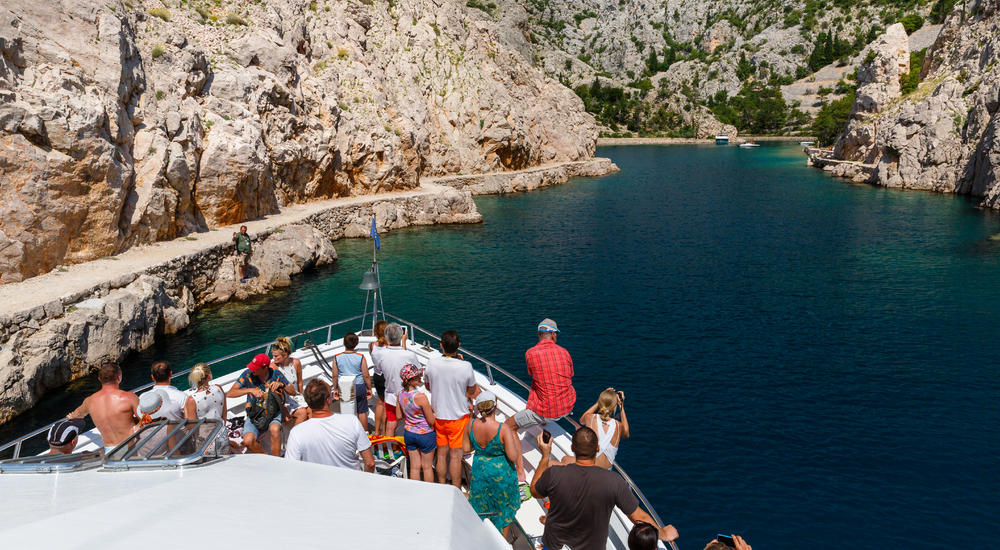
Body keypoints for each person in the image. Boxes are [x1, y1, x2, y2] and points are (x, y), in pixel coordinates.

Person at [530, 426, 678, 550]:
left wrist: (545, 456)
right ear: (598, 448)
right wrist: (663, 533)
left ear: (572, 448)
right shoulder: (613, 481)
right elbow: (639, 517)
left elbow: (534, 491)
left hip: (554, 538)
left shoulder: (554, 473)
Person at [503, 318, 576, 485]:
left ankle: (520, 472)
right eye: (556, 334)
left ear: (539, 334)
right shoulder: (564, 352)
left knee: (508, 426)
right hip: (567, 406)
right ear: (552, 334)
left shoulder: (530, 353)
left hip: (546, 410)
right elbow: (570, 375)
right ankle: (544, 421)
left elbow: (533, 373)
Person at [424, 329, 479, 487]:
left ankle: (441, 484)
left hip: (439, 416)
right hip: (458, 418)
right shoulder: (466, 366)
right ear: (459, 346)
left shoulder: (432, 363)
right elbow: (471, 391)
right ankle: (455, 488)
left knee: (441, 454)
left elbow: (428, 385)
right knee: (455, 456)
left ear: (441, 345)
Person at [463, 390, 520, 540]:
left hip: (480, 471)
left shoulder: (471, 425)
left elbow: (466, 448)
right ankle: (502, 543)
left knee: (481, 503)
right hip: (501, 474)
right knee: (504, 509)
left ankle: (482, 539)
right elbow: (513, 456)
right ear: (495, 407)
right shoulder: (503, 429)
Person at [285, 379, 375, 472]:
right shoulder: (352, 421)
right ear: (328, 400)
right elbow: (370, 463)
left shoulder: (297, 432)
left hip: (316, 485)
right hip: (352, 484)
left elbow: (291, 468)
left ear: (308, 402)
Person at [67, 362, 140, 453]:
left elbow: (77, 415)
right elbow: (145, 419)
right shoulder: (129, 397)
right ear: (119, 377)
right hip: (131, 448)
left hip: (110, 452)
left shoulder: (89, 401)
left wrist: (71, 417)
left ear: (99, 379)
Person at [226, 353, 291, 456]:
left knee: (275, 429)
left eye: (255, 368)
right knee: (248, 440)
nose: (252, 369)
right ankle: (268, 458)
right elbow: (230, 393)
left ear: (265, 367)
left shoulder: (276, 374)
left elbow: (292, 391)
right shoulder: (247, 375)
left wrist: (281, 384)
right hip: (255, 414)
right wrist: (250, 390)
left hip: (273, 412)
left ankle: (277, 460)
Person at [373, 323, 420, 436]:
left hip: (390, 395)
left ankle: (389, 449)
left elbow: (379, 369)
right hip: (407, 395)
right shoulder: (409, 355)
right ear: (401, 336)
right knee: (411, 422)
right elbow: (417, 371)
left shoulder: (381, 355)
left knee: (391, 423)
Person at [565, 388, 629, 469]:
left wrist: (598, 402)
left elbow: (581, 421)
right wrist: (621, 406)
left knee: (565, 459)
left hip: (589, 469)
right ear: (614, 406)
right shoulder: (618, 425)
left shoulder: (590, 418)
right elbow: (626, 433)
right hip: (606, 472)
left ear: (600, 402)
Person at [396, 363, 436, 481]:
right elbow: (431, 420)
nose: (420, 377)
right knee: (427, 467)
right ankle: (430, 494)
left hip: (409, 433)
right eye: (417, 376)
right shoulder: (421, 397)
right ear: (409, 380)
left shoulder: (400, 394)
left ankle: (416, 494)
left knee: (414, 467)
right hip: (425, 435)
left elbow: (398, 415)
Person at [184, 362, 231, 454]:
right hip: (222, 434)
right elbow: (224, 412)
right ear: (209, 376)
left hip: (205, 441)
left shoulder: (191, 400)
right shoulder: (218, 388)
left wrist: (186, 411)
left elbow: (191, 426)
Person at [335, 332, 373, 430]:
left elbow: (335, 375)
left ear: (344, 343)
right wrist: (369, 388)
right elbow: (366, 375)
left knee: (348, 411)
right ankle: (365, 434)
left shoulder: (337, 357)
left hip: (344, 387)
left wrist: (335, 389)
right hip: (359, 385)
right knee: (362, 411)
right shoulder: (360, 357)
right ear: (356, 343)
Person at [271, 336, 309, 426]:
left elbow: (299, 382)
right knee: (302, 413)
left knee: (311, 410)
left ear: (285, 355)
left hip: (296, 396)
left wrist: (302, 397)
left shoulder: (296, 363)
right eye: (273, 356)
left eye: (276, 356)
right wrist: (284, 411)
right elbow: (276, 393)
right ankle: (295, 438)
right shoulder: (273, 367)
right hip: (284, 402)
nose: (273, 358)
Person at [368, 320, 389, 436]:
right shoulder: (389, 347)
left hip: (376, 376)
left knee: (380, 403)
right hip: (387, 376)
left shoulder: (371, 345)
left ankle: (376, 431)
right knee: (387, 404)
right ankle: (385, 432)